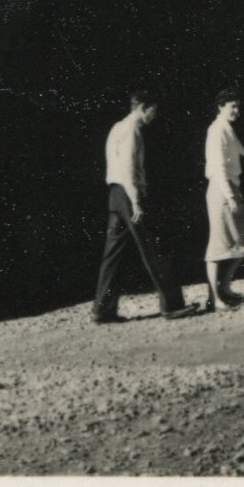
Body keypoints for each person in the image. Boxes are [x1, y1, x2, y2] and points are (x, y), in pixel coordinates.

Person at [92, 89, 197, 324]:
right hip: (129, 194)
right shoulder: (132, 130)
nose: (154, 116)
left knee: (113, 255)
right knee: (155, 247)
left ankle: (102, 309)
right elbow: (129, 168)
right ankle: (172, 305)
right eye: (153, 111)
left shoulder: (116, 127)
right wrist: (137, 202)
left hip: (115, 195)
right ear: (144, 108)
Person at [203, 87, 244, 311]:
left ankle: (224, 288)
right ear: (220, 107)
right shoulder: (217, 130)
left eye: (238, 106)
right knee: (218, 246)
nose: (237, 110)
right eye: (232, 106)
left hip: (231, 188)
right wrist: (230, 196)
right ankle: (214, 299)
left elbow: (241, 152)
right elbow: (217, 168)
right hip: (222, 190)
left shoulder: (227, 129)